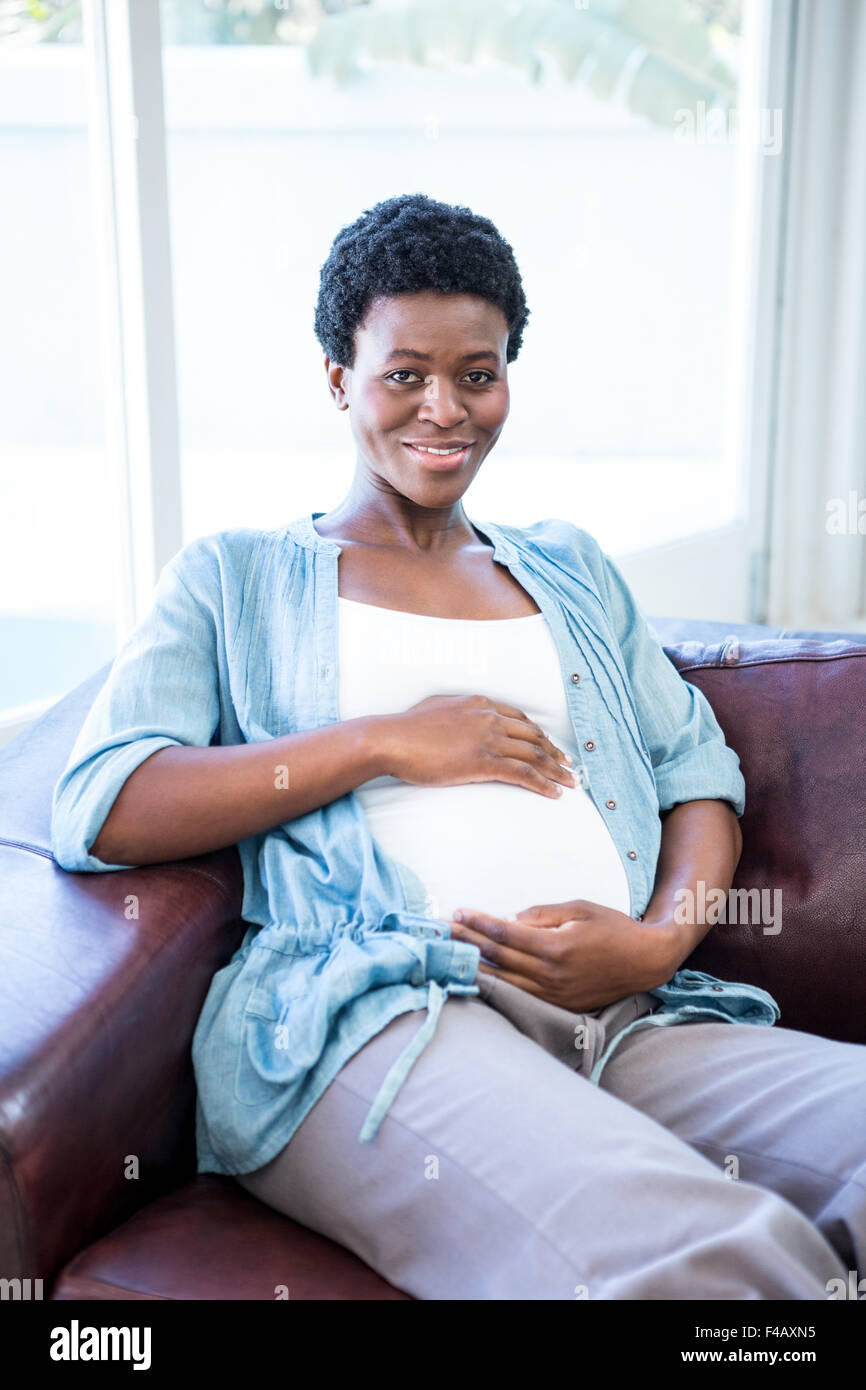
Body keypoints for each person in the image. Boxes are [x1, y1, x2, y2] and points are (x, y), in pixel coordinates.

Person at [51, 193, 865, 1301]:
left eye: (476, 374)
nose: (445, 408)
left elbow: (694, 776)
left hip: (625, 1019)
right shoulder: (232, 575)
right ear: (339, 378)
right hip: (386, 1015)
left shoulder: (568, 567)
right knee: (712, 1261)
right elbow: (103, 802)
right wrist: (384, 741)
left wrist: (654, 944)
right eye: (404, 373)